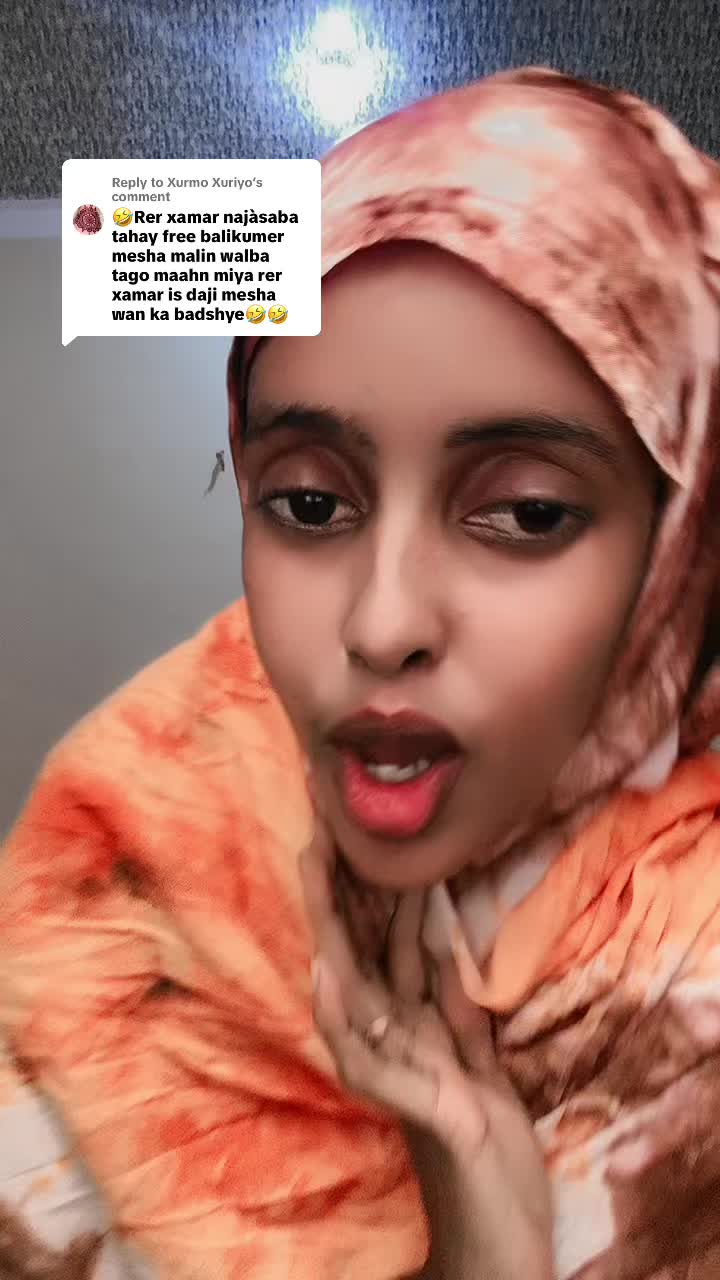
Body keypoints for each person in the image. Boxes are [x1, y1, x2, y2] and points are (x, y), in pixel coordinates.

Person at [1, 65, 720, 1280]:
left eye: (527, 511)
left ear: (677, 559)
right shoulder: (125, 832)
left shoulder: (696, 977)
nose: (382, 624)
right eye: (307, 501)